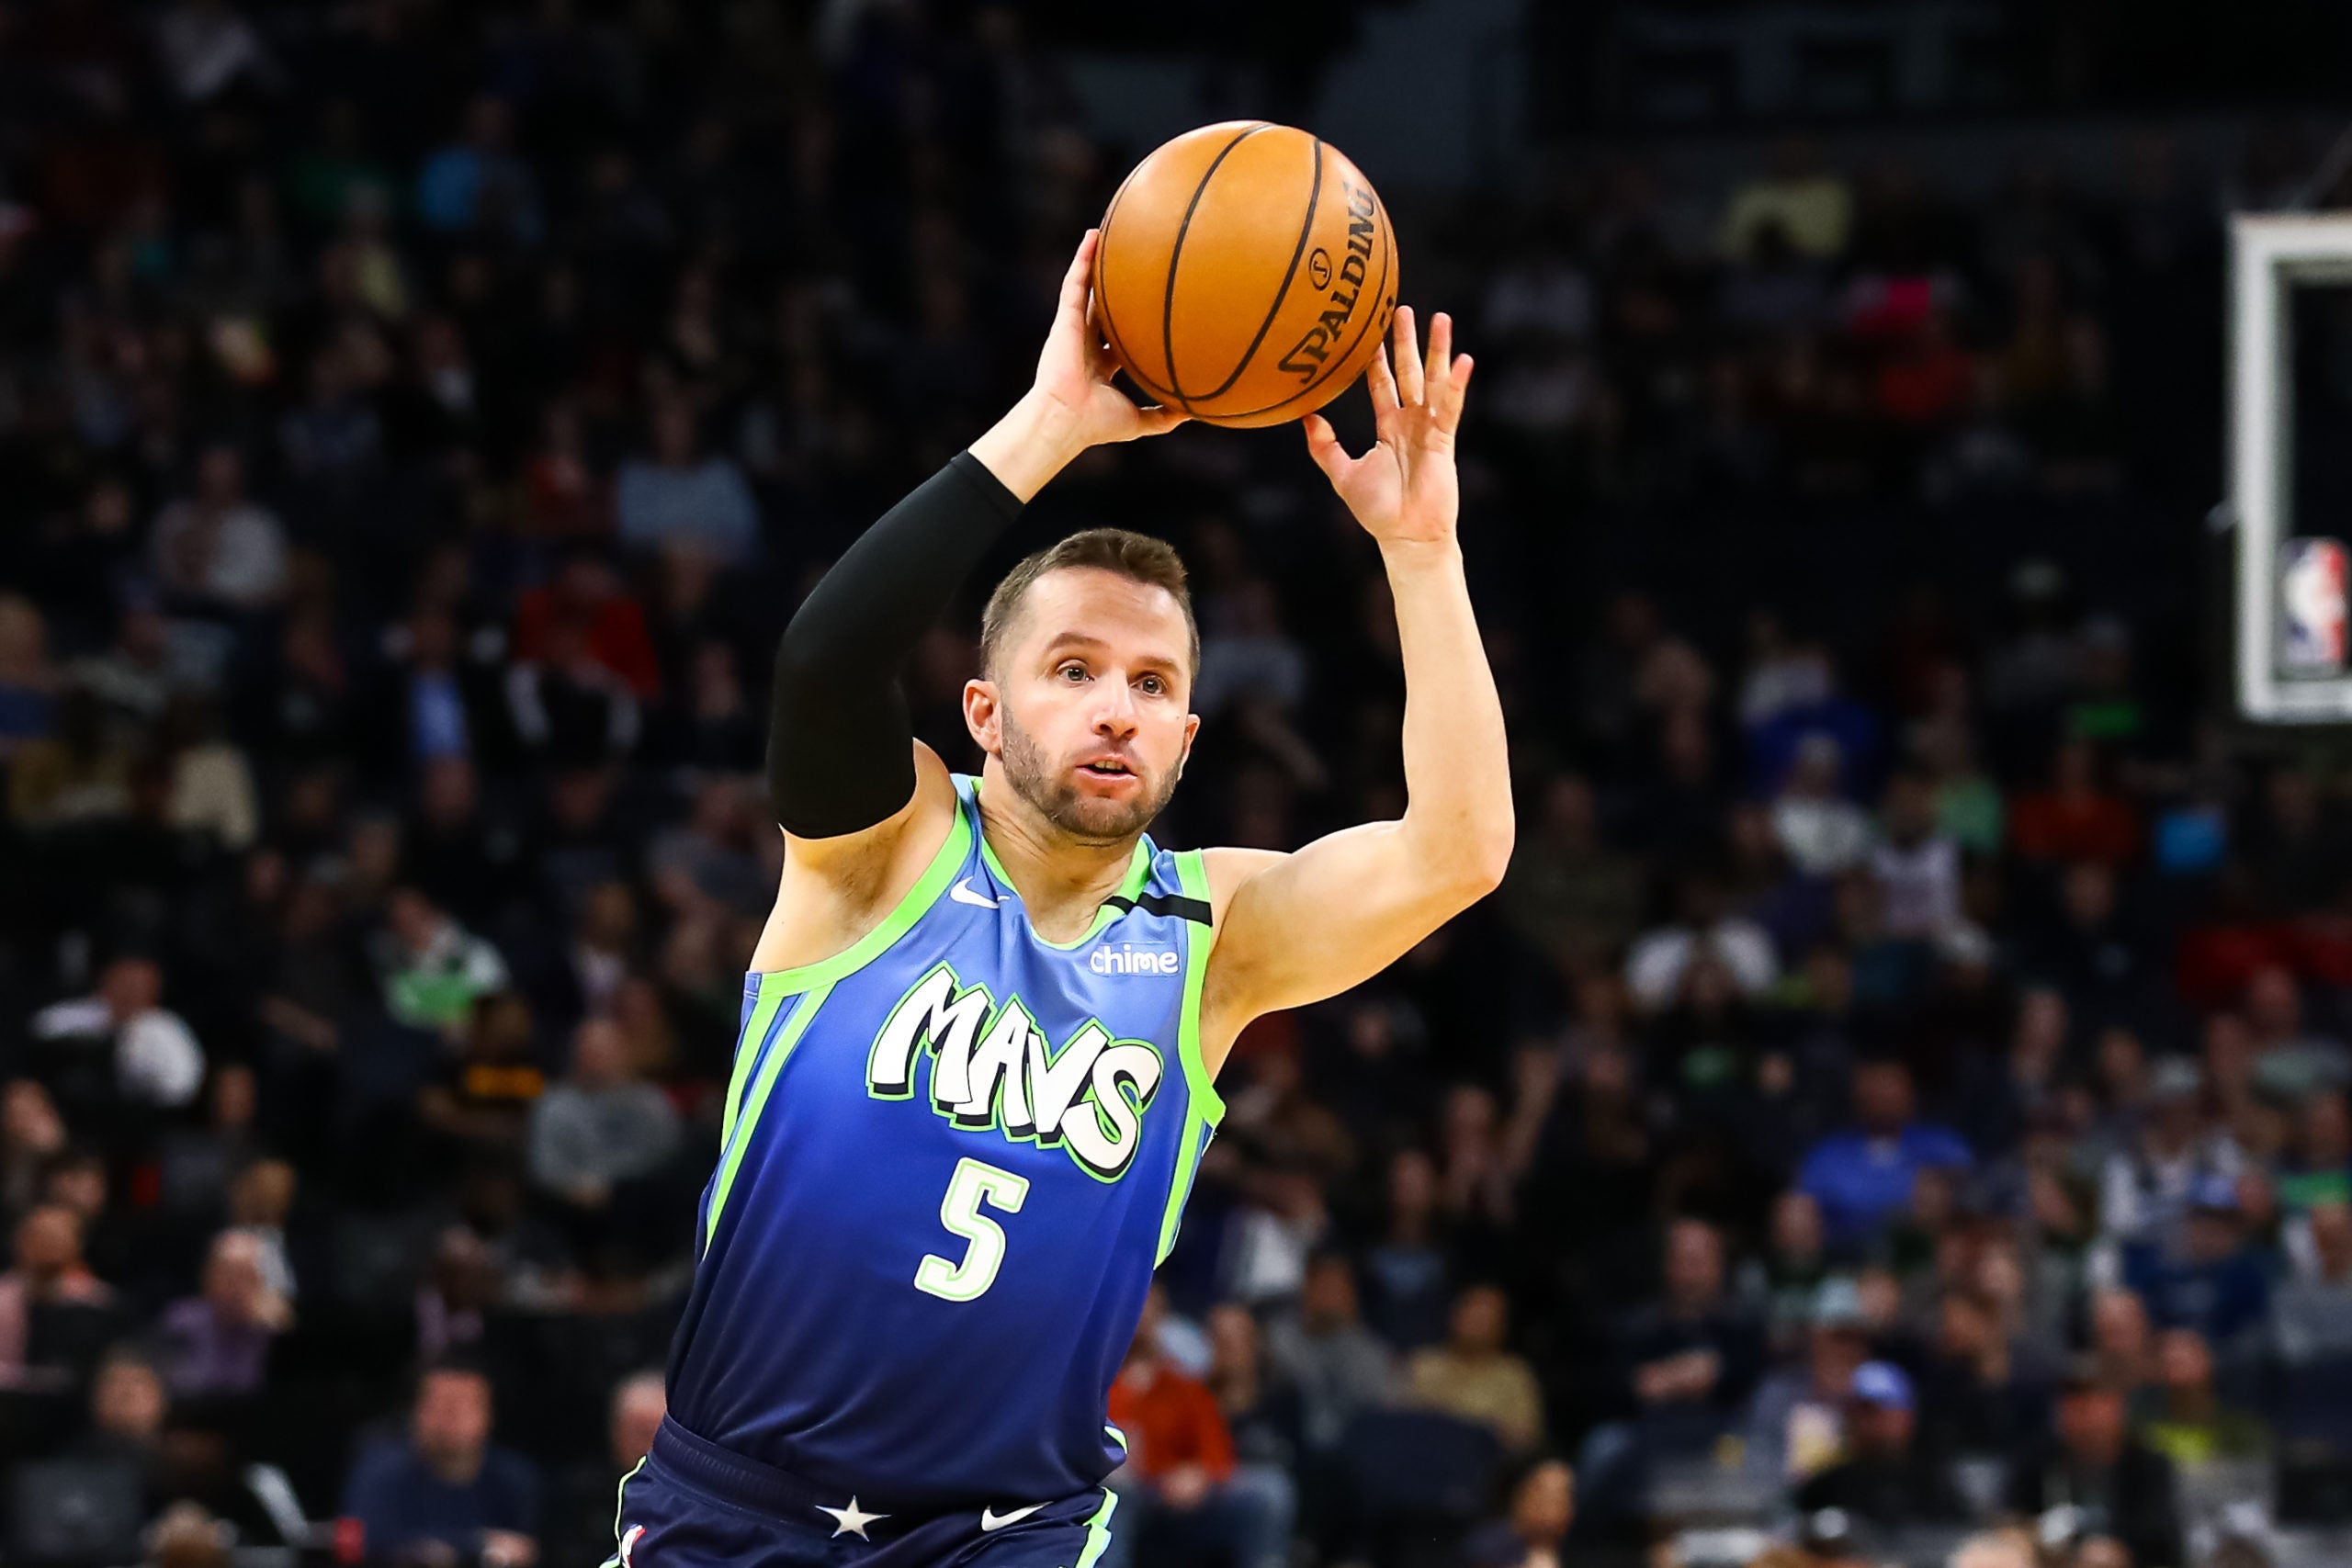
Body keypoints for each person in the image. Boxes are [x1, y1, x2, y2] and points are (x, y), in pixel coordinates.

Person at [614, 234, 1509, 1568]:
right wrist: (1052, 426)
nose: (1115, 705)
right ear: (981, 708)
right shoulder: (885, 847)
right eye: (1075, 666)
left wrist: (1422, 551)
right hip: (738, 1507)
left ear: (1190, 736)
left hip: (1007, 1531)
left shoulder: (1215, 939)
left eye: (1152, 684)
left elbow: (1461, 847)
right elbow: (824, 657)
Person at [1098, 1321, 1293, 1568]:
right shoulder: (1098, 1387)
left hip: (1185, 1491)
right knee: (1117, 1495)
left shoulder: (1183, 1386)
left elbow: (1216, 1451)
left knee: (1271, 1489)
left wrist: (1201, 1474)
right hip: (1132, 1492)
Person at [340, 1357, 541, 1568]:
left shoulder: (515, 1478)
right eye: (437, 1403)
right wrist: (476, 1544)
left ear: (488, 1414)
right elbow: (363, 1542)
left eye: (462, 1405)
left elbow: (526, 1549)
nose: (449, 1416)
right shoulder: (379, 1473)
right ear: (416, 1411)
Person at [2002, 1366, 2183, 1568]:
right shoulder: (2037, 1460)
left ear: (2117, 1407)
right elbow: (2010, 1521)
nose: (2080, 1413)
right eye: (2071, 1402)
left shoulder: (2146, 1465)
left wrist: (2119, 1551)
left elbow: (2160, 1539)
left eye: (2091, 1401)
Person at [1791, 1361, 1970, 1531]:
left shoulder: (1934, 1483)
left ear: (1907, 1416)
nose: (1868, 1421)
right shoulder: (1825, 1487)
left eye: (1879, 1410)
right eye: (1860, 1410)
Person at [1405, 1283, 1545, 1451]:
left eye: (1487, 1317)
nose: (1477, 1322)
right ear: (1454, 1316)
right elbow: (1402, 1422)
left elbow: (1527, 1437)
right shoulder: (1423, 1363)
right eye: (1473, 1312)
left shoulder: (1515, 1374)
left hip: (1489, 1467)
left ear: (1502, 1326)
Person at [1462, 1455, 1574, 1568]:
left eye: (1559, 1498)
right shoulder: (1487, 1548)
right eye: (1542, 1496)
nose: (1549, 1508)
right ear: (1520, 1498)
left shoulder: (1579, 1553)